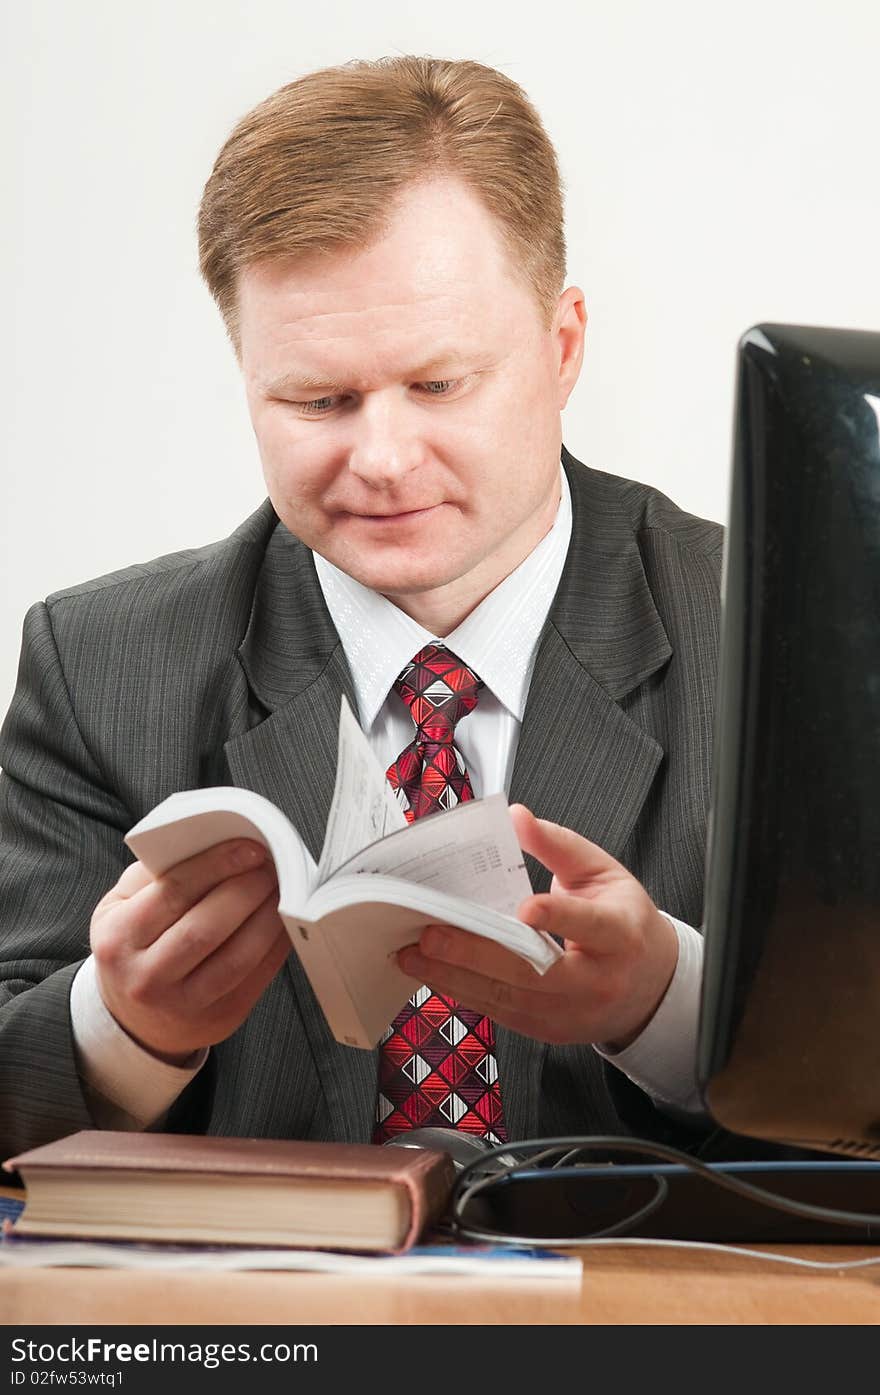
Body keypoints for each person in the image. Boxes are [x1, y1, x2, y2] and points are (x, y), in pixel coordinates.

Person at [0, 56, 726, 1162]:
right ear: (245, 374)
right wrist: (126, 1032)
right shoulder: (99, 663)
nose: (382, 460)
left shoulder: (778, 640)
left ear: (563, 347)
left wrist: (673, 1006)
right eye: (318, 399)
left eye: (438, 385)